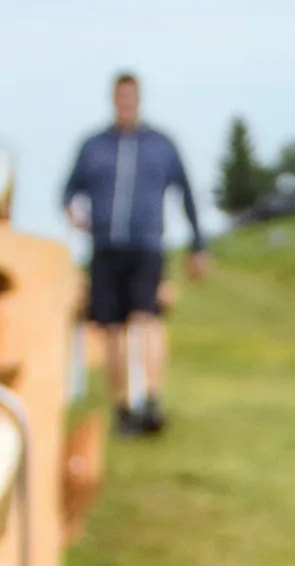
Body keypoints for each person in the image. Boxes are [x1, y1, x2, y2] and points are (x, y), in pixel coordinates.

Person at [62, 71, 208, 436]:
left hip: (146, 245)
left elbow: (187, 194)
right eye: (120, 97)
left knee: (146, 320)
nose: (126, 104)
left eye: (131, 97)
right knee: (111, 330)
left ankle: (151, 400)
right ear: (114, 99)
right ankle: (123, 406)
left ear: (138, 99)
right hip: (105, 246)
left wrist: (197, 245)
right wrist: (77, 218)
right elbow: (68, 193)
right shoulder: (94, 146)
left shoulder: (160, 145)